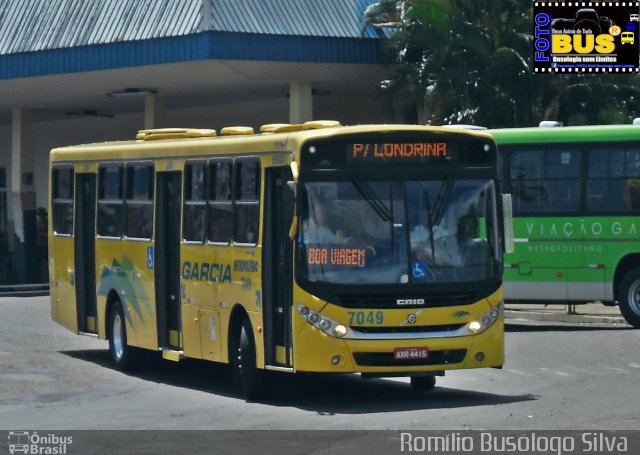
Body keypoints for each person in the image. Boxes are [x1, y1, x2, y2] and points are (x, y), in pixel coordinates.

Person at [36, 207, 48, 282]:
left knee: (44, 262)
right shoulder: (39, 221)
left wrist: (38, 231)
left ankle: (44, 278)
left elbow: (45, 233)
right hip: (40, 245)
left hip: (44, 245)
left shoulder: (45, 222)